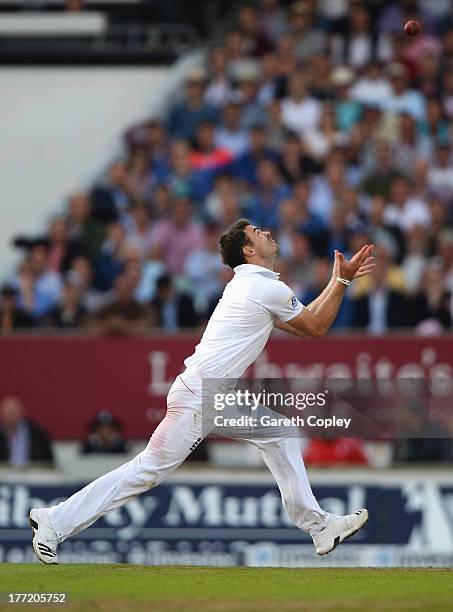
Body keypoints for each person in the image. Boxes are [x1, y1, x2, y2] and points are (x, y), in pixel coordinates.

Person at [29, 219, 374, 564]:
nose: (267, 232)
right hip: (202, 395)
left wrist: (336, 278)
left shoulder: (255, 286)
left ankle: (319, 526)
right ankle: (54, 521)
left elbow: (306, 323)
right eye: (257, 232)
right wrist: (341, 280)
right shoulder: (262, 288)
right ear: (249, 250)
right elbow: (315, 327)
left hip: (212, 394)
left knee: (280, 433)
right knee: (146, 471)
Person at [0, 397, 54, 466]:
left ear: (21, 412)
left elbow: (49, 461)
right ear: (2, 414)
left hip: (33, 473)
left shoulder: (38, 434)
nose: (11, 417)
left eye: (13, 413)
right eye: (8, 413)